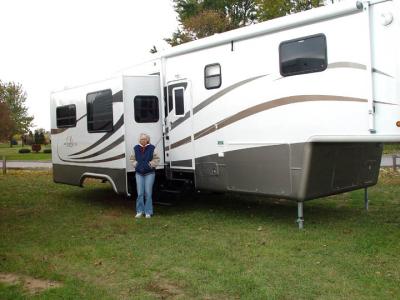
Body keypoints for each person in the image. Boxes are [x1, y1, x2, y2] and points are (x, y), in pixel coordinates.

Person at [130, 133, 160, 218]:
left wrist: (150, 165)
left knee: (148, 193)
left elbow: (157, 159)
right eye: (141, 139)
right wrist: (136, 165)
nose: (142, 140)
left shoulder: (152, 148)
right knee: (140, 193)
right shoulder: (135, 148)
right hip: (139, 173)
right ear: (139, 140)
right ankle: (139, 211)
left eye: (144, 139)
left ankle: (148, 212)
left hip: (149, 173)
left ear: (147, 140)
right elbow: (132, 159)